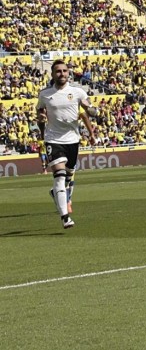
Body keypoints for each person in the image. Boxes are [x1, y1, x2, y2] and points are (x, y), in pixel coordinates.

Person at [36, 60, 97, 230]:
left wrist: (92, 111)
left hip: (72, 139)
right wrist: (42, 128)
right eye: (58, 71)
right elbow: (40, 112)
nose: (62, 74)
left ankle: (56, 194)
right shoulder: (45, 94)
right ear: (53, 74)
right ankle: (65, 217)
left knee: (68, 176)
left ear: (68, 73)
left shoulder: (77, 92)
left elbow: (88, 109)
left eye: (64, 71)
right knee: (60, 176)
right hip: (53, 139)